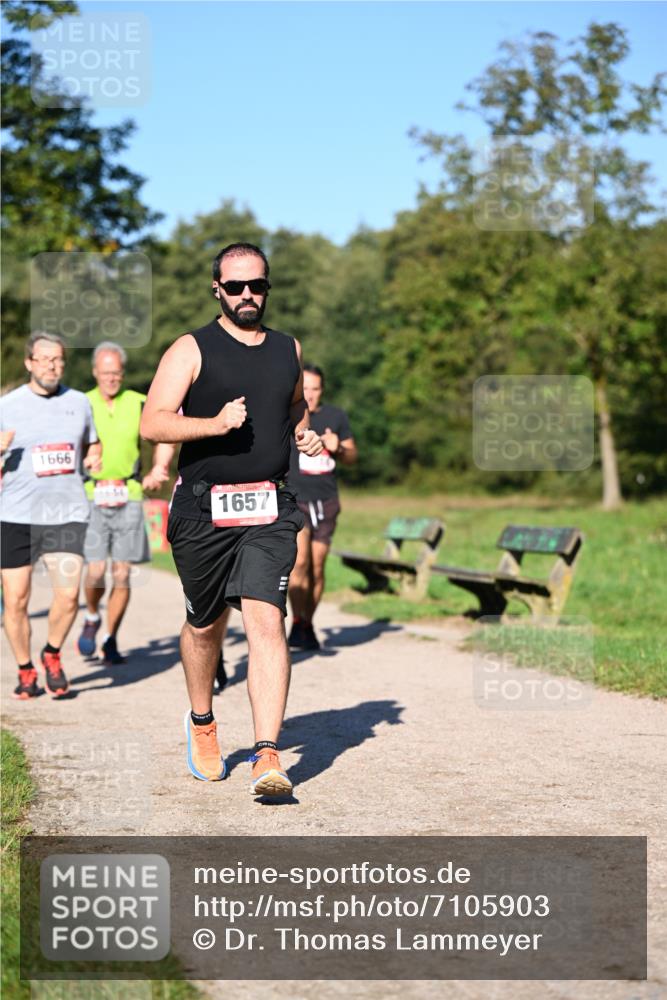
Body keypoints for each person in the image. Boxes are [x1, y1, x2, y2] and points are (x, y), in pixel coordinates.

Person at [140, 242, 322, 797]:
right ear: (217, 288)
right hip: (202, 507)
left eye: (258, 285)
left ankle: (268, 754)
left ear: (268, 287)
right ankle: (202, 720)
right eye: (236, 286)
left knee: (267, 619)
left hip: (269, 505)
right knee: (205, 623)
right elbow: (153, 422)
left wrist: (302, 431)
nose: (248, 295)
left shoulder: (287, 349)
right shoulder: (191, 349)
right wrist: (214, 425)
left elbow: (294, 405)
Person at [0, 332, 102, 699]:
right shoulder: (7, 406)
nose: (53, 365)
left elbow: (92, 442)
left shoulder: (79, 402)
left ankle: (52, 653)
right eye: (44, 359)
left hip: (66, 512)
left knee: (68, 596)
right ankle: (26, 668)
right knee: (16, 600)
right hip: (16, 514)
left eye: (58, 359)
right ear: (29, 362)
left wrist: (94, 455)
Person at [77, 342, 174, 665]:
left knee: (121, 575)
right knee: (95, 572)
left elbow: (164, 430)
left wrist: (159, 468)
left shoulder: (137, 401)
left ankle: (110, 638)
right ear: (95, 372)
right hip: (91, 494)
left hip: (129, 493)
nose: (111, 378)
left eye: (116, 373)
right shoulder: (81, 402)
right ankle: (91, 615)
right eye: (105, 373)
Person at [287, 364, 357, 650]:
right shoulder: (288, 416)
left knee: (318, 564)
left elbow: (353, 456)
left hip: (326, 501)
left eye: (315, 389)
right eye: (305, 388)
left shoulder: (335, 416)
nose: (311, 394)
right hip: (297, 499)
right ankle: (296, 621)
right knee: (300, 561)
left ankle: (307, 623)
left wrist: (338, 446)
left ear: (322, 390)